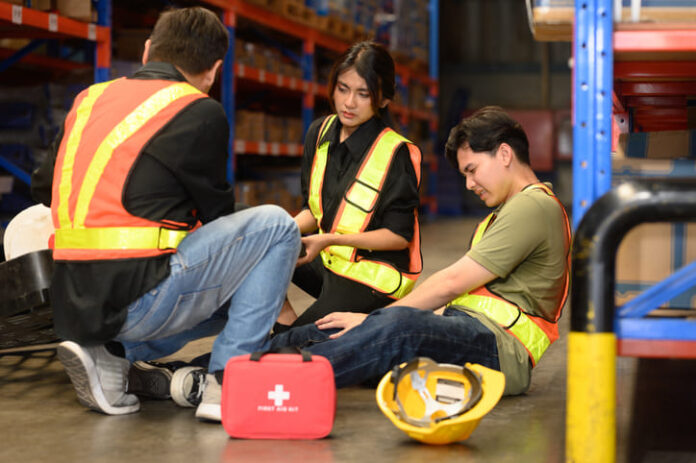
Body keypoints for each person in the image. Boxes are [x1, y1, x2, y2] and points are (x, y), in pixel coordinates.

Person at [30, 7, 301, 421]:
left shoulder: (89, 100)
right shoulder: (198, 109)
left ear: (146, 50)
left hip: (69, 300)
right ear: (213, 70)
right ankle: (226, 383)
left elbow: (42, 188)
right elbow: (216, 213)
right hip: (137, 303)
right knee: (278, 228)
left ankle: (112, 355)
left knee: (252, 293)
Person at [270, 106, 571, 396]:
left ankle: (283, 380)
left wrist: (375, 319)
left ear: (505, 154)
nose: (469, 184)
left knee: (399, 327)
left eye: (472, 170)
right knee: (338, 327)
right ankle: (256, 363)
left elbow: (452, 283)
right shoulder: (510, 211)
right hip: (472, 332)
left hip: (500, 350)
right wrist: (372, 321)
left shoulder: (533, 206)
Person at [274, 41, 423, 332]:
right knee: (255, 240)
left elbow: (398, 236)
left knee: (301, 346)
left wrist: (329, 240)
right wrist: (280, 233)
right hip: (329, 262)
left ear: (382, 100)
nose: (349, 103)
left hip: (373, 278)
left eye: (362, 94)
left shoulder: (396, 153)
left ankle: (285, 341)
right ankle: (285, 327)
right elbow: (312, 209)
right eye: (343, 89)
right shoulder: (319, 132)